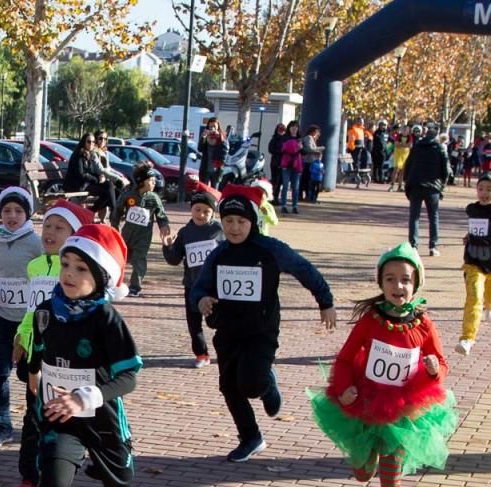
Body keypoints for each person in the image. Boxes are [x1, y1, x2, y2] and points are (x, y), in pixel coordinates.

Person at [26, 224, 153, 487]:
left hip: (101, 420)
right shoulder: (47, 309)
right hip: (59, 417)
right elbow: (40, 351)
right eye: (66, 264)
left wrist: (85, 395)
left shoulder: (107, 320)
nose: (69, 274)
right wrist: (33, 371)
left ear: (100, 276)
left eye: (81, 268)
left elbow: (129, 378)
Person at [309, 242, 457, 487]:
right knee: (363, 473)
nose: (397, 285)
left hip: (405, 409)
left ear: (415, 284)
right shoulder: (370, 321)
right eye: (389, 278)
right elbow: (347, 359)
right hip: (366, 400)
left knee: (392, 471)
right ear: (381, 283)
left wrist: (433, 370)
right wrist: (344, 390)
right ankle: (366, 462)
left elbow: (441, 364)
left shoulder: (424, 323)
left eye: (405, 279)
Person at [191, 184, 336, 462]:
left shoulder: (271, 249)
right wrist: (202, 301)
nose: (234, 228)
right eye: (228, 221)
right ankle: (250, 437)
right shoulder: (218, 253)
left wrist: (325, 301)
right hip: (227, 330)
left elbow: (305, 269)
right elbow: (200, 288)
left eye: (241, 221)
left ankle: (268, 383)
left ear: (253, 221)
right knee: (230, 387)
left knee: (252, 385)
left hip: (261, 331)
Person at [8, 200, 95, 487]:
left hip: (67, 363)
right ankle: (29, 480)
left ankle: (91, 455)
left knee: (71, 418)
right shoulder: (35, 266)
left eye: (60, 228)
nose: (50, 233)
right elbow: (32, 310)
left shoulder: (76, 271)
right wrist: (21, 335)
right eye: (47, 226)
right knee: (33, 420)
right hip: (35, 356)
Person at [0, 187, 44, 449]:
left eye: (18, 211)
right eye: (6, 211)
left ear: (27, 214)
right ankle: (1, 427)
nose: (12, 216)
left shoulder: (36, 243)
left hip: (30, 322)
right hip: (3, 319)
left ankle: (34, 424)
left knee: (30, 375)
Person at [161, 181, 223, 368]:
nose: (201, 215)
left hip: (215, 287)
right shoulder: (185, 232)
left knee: (217, 322)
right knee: (194, 323)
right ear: (191, 210)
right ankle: (201, 353)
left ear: (213, 212)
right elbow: (174, 259)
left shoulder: (219, 230)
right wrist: (167, 245)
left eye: (206, 211)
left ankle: (225, 350)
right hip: (192, 285)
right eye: (197, 210)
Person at [455, 172, 491, 356]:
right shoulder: (472, 209)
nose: (484, 192)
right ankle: (467, 339)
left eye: (489, 189)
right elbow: (474, 229)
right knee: (473, 298)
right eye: (481, 188)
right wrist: (470, 238)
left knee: (488, 298)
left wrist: (478, 239)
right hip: (473, 262)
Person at [111, 163, 171, 297]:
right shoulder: (128, 196)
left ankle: (135, 286)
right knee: (121, 257)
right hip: (127, 233)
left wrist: (164, 226)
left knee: (139, 259)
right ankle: (114, 281)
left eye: (155, 181)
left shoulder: (154, 198)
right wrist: (114, 226)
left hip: (144, 235)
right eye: (151, 180)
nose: (154, 183)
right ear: (141, 182)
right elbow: (117, 211)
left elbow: (161, 214)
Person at [403, 123, 450, 256]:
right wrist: (443, 184)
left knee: (414, 217)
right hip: (433, 187)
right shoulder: (440, 148)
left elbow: (408, 164)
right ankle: (433, 246)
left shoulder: (417, 147)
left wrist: (407, 182)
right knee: (433, 217)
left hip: (416, 186)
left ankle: (413, 246)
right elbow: (445, 169)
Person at [64, 133, 116, 220]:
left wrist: (100, 176)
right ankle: (113, 212)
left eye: (93, 142)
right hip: (77, 185)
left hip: (86, 183)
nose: (91, 144)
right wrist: (97, 180)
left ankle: (92, 211)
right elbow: (81, 174)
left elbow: (92, 171)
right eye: (88, 141)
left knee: (110, 187)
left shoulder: (91, 154)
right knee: (108, 188)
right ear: (83, 142)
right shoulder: (78, 155)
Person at [280, 121, 303, 214]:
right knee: (285, 186)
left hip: (296, 165)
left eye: (296, 127)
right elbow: (281, 150)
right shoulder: (285, 138)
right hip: (286, 164)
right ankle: (284, 205)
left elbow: (303, 152)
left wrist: (301, 148)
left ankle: (294, 206)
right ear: (289, 128)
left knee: (295, 187)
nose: (294, 129)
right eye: (292, 127)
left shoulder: (299, 139)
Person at [199, 118, 228, 188]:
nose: (212, 128)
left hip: (216, 170)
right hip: (205, 169)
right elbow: (200, 149)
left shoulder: (221, 136)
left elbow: (225, 151)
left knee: (214, 191)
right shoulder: (206, 136)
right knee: (203, 190)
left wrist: (220, 139)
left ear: (218, 126)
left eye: (214, 126)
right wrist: (203, 137)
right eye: (210, 126)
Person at [300, 124, 325, 204]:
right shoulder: (309, 138)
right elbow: (310, 148)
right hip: (308, 161)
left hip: (310, 161)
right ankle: (307, 196)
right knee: (307, 179)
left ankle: (307, 195)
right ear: (314, 132)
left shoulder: (312, 138)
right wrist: (320, 149)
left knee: (307, 180)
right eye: (317, 132)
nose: (318, 134)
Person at [267, 123, 287, 203]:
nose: (281, 131)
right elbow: (271, 149)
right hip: (276, 162)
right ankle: (273, 197)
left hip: (284, 162)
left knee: (281, 181)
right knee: (275, 180)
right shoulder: (274, 139)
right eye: (280, 129)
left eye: (283, 129)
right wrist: (280, 151)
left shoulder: (285, 139)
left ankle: (276, 196)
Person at [389, 128, 411, 193]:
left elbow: (410, 145)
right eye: (404, 130)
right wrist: (404, 145)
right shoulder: (399, 136)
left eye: (406, 130)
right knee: (396, 169)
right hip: (398, 154)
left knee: (402, 171)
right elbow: (396, 144)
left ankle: (400, 186)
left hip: (405, 155)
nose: (404, 131)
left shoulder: (409, 137)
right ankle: (392, 186)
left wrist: (401, 144)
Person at [371, 119, 389, 184]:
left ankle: (381, 178)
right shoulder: (377, 133)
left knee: (381, 166)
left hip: (383, 152)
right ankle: (376, 178)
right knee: (376, 166)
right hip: (376, 152)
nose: (383, 126)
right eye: (381, 125)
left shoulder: (386, 133)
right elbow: (379, 141)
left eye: (384, 125)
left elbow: (390, 140)